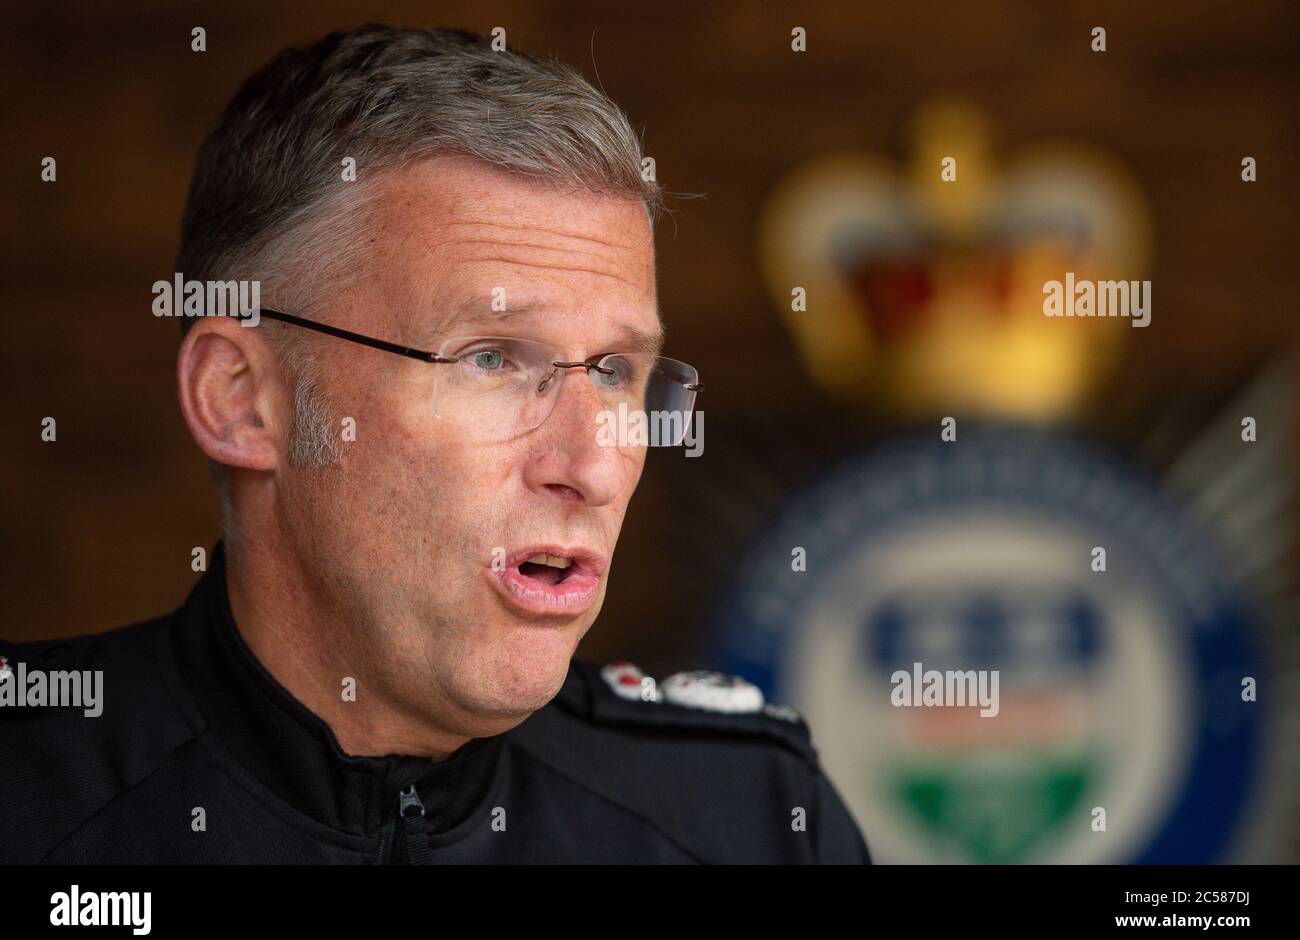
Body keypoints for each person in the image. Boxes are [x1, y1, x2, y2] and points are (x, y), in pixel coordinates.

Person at [0, 24, 870, 864]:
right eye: (492, 359)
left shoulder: (752, 821)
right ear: (242, 401)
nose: (593, 466)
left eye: (613, 371)